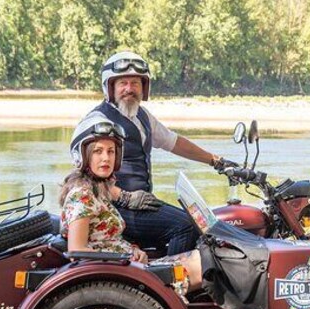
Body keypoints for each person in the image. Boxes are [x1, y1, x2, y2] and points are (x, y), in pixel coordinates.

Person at [84, 51, 233, 256]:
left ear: (144, 87)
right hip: (114, 208)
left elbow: (174, 142)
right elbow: (83, 177)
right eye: (123, 83)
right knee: (186, 226)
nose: (129, 89)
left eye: (135, 83)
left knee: (195, 221)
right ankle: (174, 284)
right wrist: (124, 197)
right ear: (110, 87)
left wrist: (216, 161)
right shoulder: (96, 122)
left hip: (140, 204)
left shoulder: (141, 116)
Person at [59, 113, 205, 290]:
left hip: (130, 269)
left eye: (111, 151)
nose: (106, 158)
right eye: (98, 151)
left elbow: (108, 241)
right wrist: (125, 259)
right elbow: (77, 252)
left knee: (204, 257)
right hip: (122, 278)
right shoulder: (82, 195)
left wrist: (134, 250)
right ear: (82, 155)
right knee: (205, 265)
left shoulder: (98, 189)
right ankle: (174, 297)